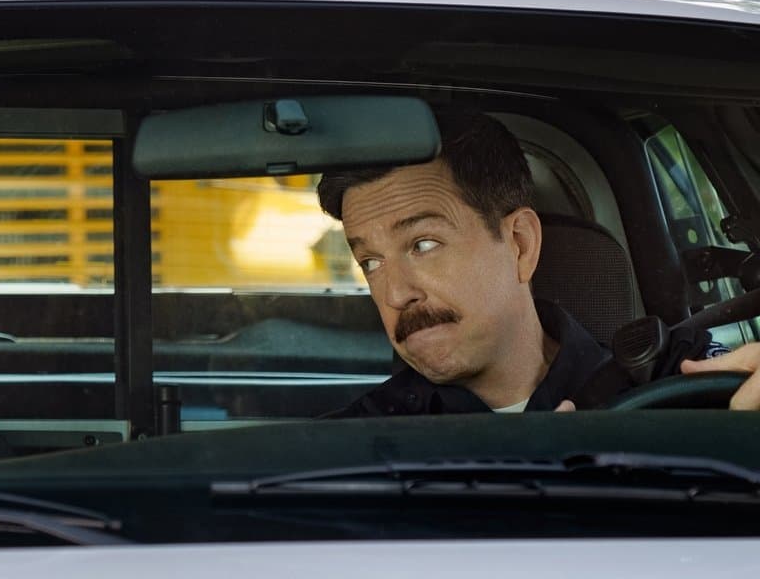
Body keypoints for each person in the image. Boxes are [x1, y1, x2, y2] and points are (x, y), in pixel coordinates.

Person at [316, 108, 760, 416]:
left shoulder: (680, 381)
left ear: (520, 244)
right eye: (370, 262)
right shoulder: (351, 449)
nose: (395, 293)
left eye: (424, 244)